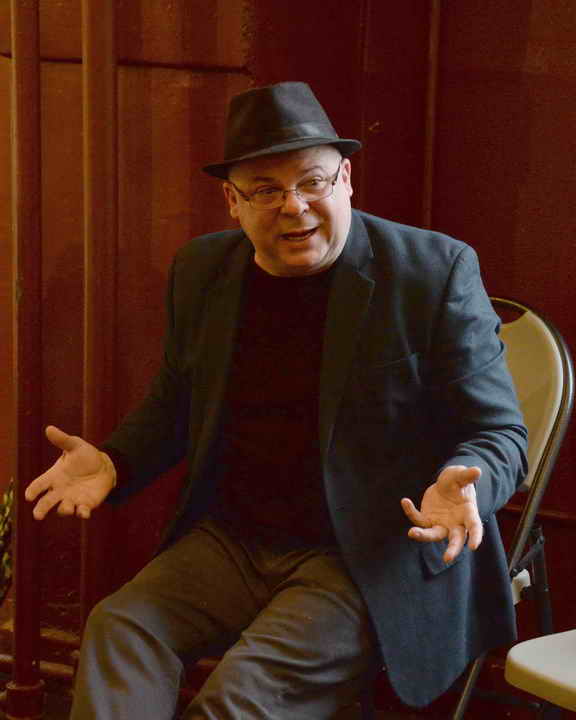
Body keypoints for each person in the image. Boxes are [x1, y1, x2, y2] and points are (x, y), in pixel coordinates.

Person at [25, 81, 527, 719]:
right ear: (232, 202)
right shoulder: (203, 271)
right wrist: (114, 462)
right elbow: (176, 404)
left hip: (366, 553)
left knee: (239, 700)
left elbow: (501, 434)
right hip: (235, 541)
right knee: (120, 629)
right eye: (265, 190)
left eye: (313, 181)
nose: (295, 206)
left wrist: (467, 487)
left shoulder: (432, 271)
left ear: (346, 180)